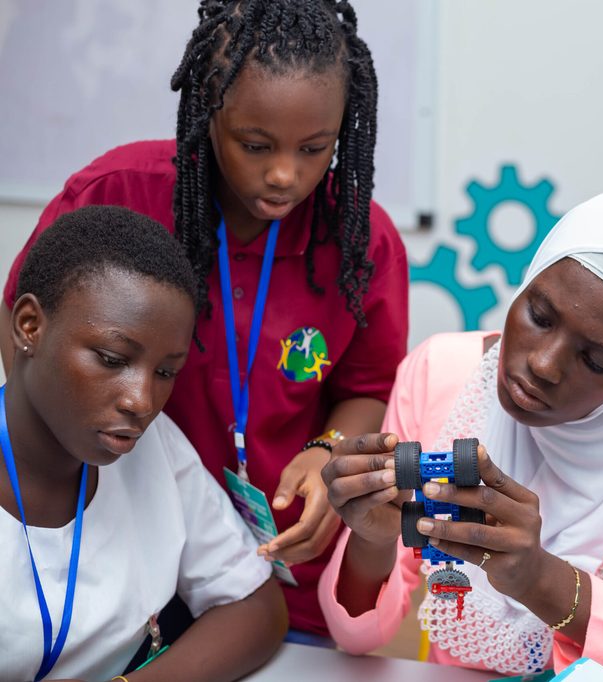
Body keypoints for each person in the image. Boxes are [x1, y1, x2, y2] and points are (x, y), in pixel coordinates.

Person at [1, 0, 408, 637]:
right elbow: (24, 321)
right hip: (119, 551)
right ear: (207, 110)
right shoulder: (117, 193)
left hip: (279, 570)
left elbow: (367, 386)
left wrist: (329, 450)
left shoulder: (362, 242)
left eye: (314, 149)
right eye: (255, 145)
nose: (284, 175)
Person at [318, 191, 603, 680]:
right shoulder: (440, 375)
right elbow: (357, 638)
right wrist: (371, 541)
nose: (543, 364)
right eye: (539, 315)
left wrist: (541, 581)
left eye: (595, 361)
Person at [0, 205, 287, 681]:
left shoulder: (152, 447)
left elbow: (256, 606)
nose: (142, 400)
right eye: (112, 359)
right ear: (30, 325)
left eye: (166, 372)